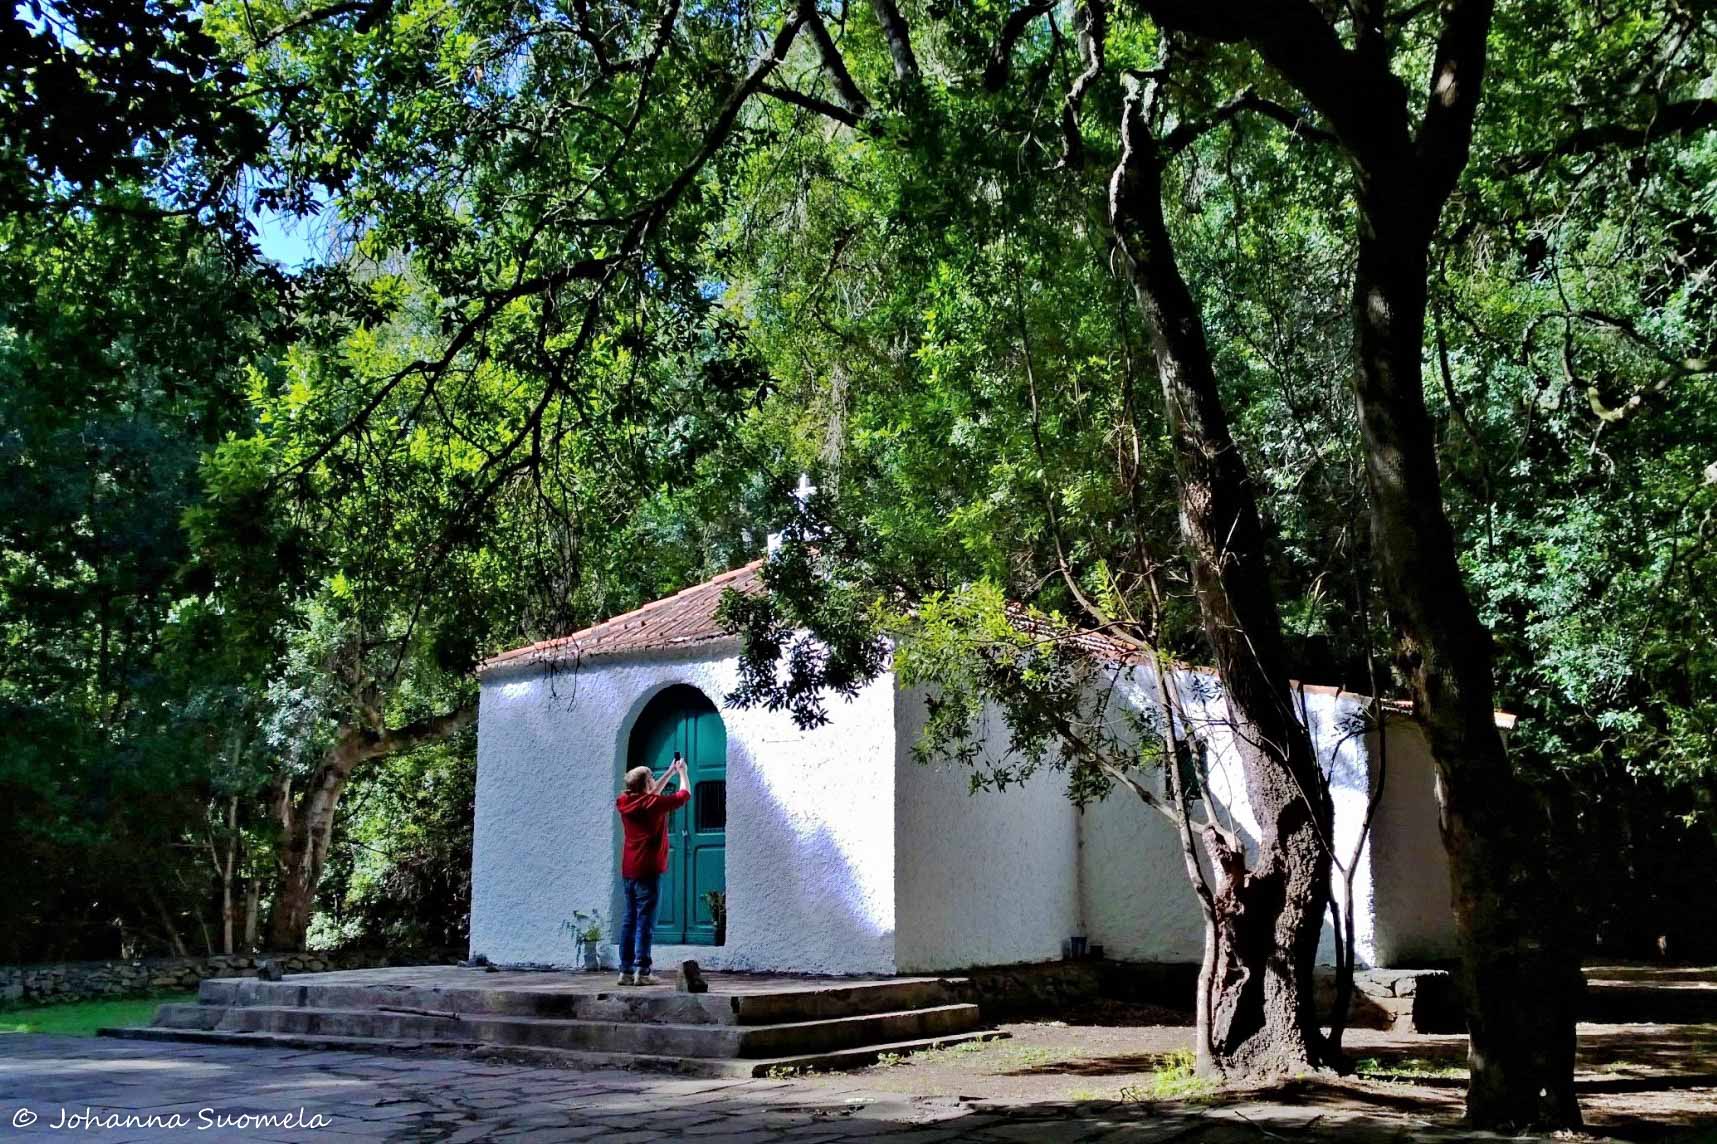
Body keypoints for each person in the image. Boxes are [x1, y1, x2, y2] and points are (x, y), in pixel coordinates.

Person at [614, 751, 690, 985]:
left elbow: (647, 796)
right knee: (645, 921)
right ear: (647, 783)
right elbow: (684, 795)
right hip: (649, 869)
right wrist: (683, 773)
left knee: (629, 919)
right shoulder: (654, 804)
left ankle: (625, 971)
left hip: (629, 870)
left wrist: (669, 772)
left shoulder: (624, 802)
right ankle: (643, 972)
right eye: (651, 778)